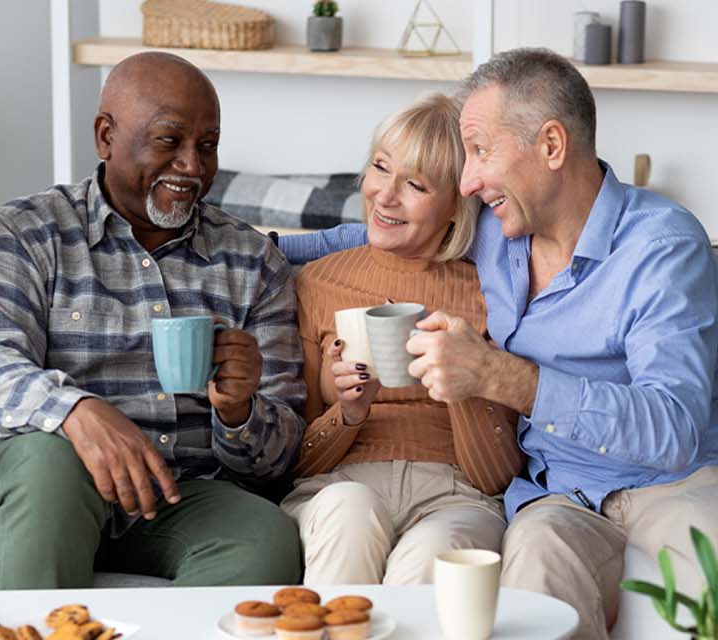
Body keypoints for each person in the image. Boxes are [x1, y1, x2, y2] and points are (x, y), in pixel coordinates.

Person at [279, 48, 718, 637]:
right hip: (556, 493)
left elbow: (674, 428)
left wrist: (500, 377)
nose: (468, 181)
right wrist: (244, 249)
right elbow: (374, 232)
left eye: (482, 152)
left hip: (671, 484)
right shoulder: (493, 226)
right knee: (533, 567)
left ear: (552, 146)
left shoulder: (662, 248)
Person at [0, 52, 304, 589]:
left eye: (207, 146)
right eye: (168, 141)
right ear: (105, 136)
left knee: (263, 535)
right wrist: (78, 414)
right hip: (30, 478)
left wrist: (239, 412)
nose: (192, 166)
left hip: (179, 489)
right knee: (51, 467)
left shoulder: (253, 262)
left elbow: (280, 456)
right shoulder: (26, 231)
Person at [280, 92, 524, 586]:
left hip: (456, 493)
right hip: (339, 482)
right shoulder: (318, 283)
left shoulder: (490, 295)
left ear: (456, 206)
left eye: (414, 184)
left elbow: (496, 478)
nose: (385, 195)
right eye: (379, 168)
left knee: (433, 555)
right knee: (349, 510)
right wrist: (346, 412)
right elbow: (295, 462)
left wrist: (462, 383)